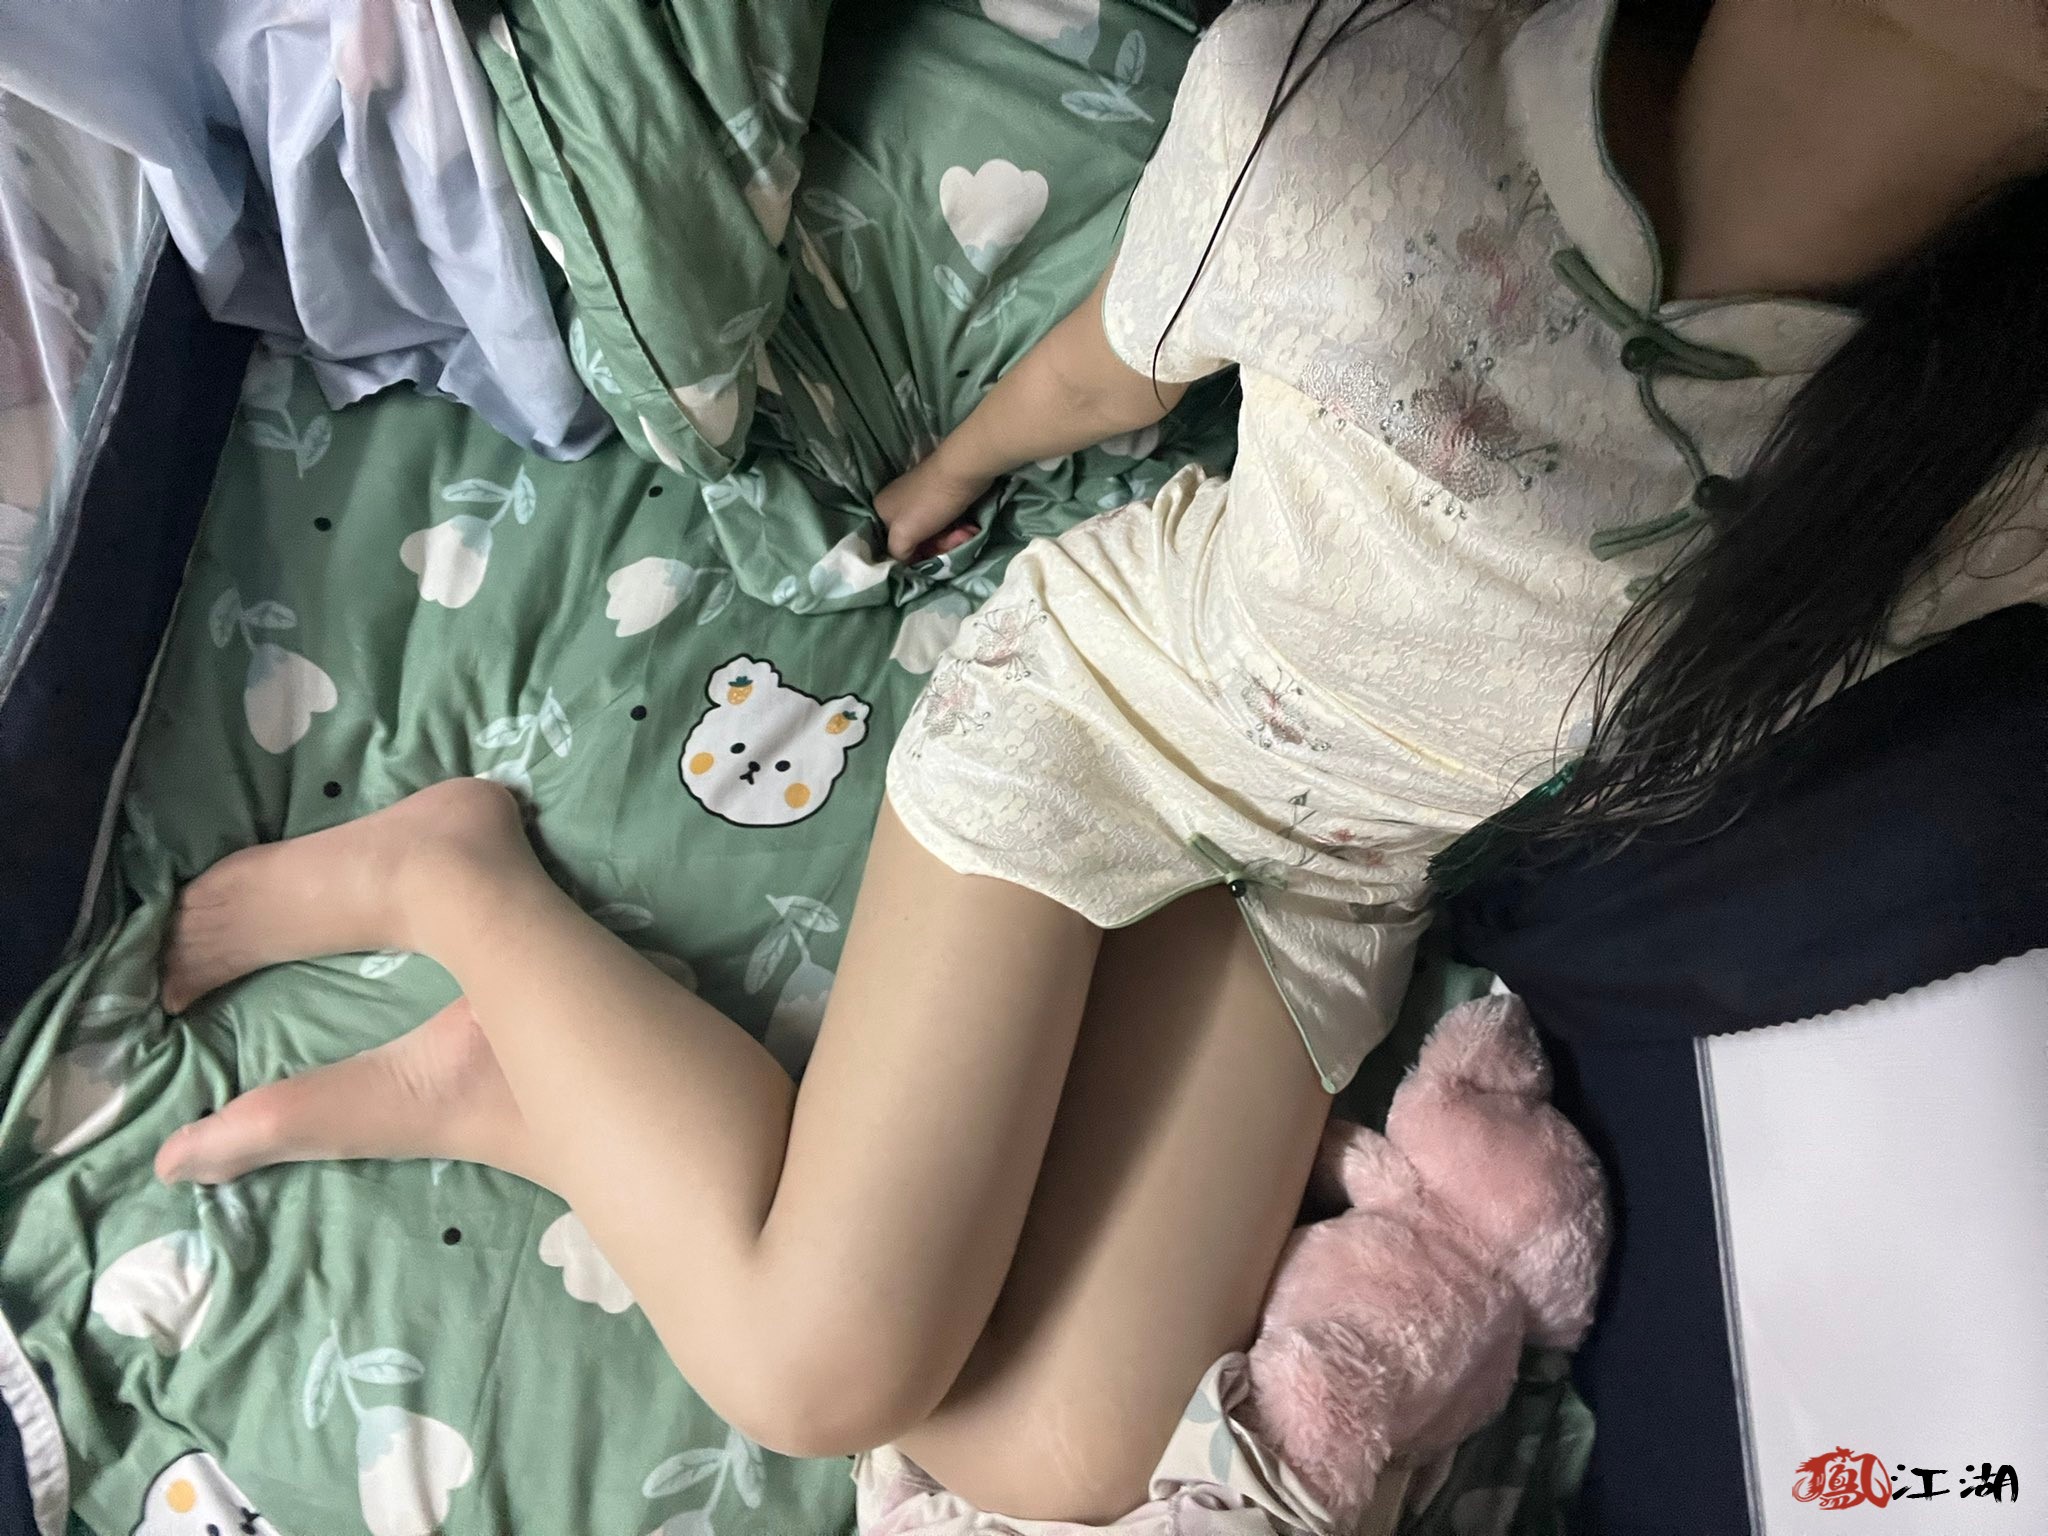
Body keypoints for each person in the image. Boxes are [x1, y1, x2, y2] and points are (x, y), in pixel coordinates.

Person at [152, 0, 2048, 1526]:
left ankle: (527, 1097)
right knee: (824, 1370)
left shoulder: (1983, 466)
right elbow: (1122, 358)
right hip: (1115, 716)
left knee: (1049, 1456)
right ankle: (452, 883)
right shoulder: (1389, 84)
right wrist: (950, 476)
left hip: (1343, 879)